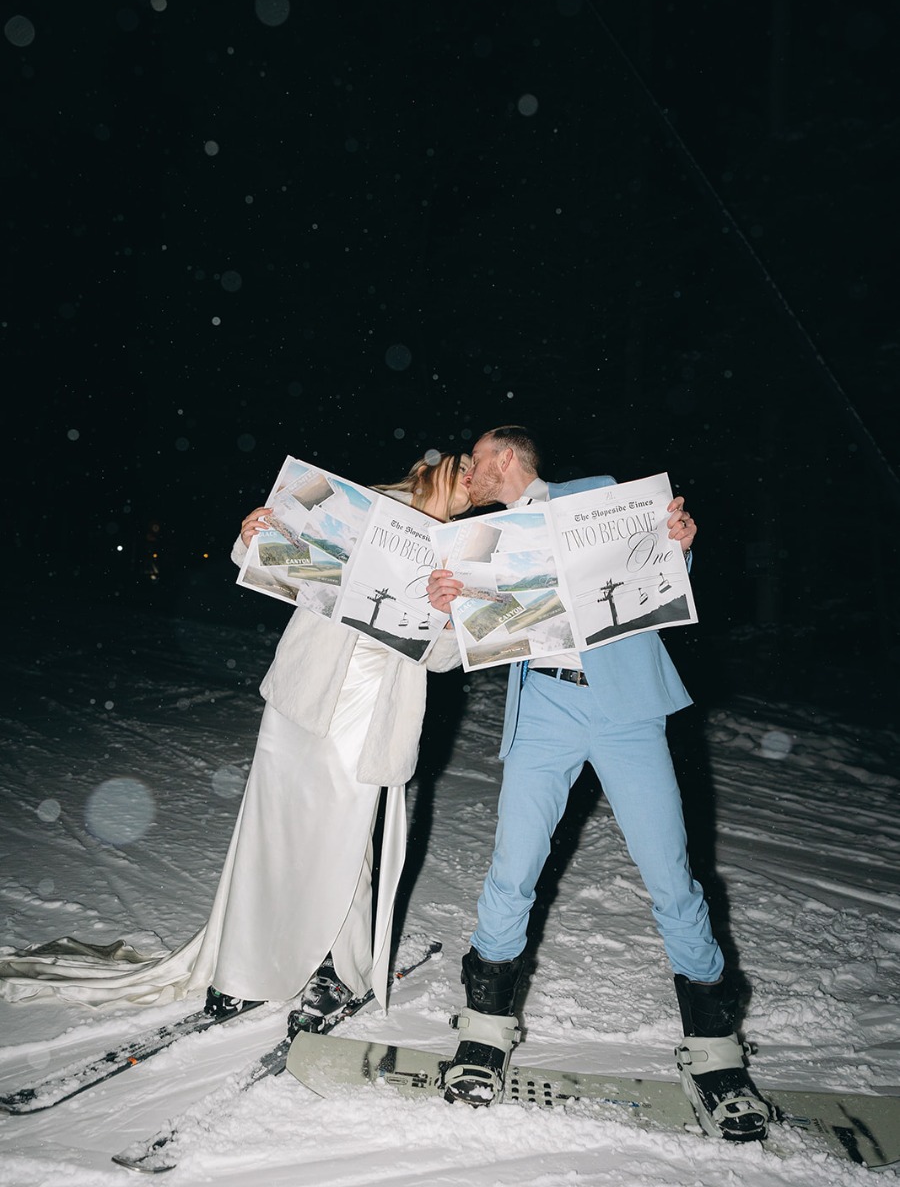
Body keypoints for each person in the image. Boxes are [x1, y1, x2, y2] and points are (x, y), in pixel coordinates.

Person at [0, 452, 470, 1023]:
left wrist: (449, 615)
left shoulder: (464, 552)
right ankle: (247, 966)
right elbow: (278, 567)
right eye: (464, 461)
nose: (471, 475)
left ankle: (332, 965)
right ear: (432, 466)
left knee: (344, 836)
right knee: (272, 828)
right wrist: (253, 537)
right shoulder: (361, 505)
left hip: (375, 707)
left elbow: (446, 659)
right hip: (306, 688)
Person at [425, 426, 769, 1142]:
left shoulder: (595, 498)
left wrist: (681, 542)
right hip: (545, 709)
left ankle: (715, 1053)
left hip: (626, 710)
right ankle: (485, 1032)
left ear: (508, 459)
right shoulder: (482, 538)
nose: (469, 472)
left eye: (477, 460)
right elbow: (469, 630)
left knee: (671, 876)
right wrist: (446, 599)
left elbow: (657, 562)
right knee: (511, 870)